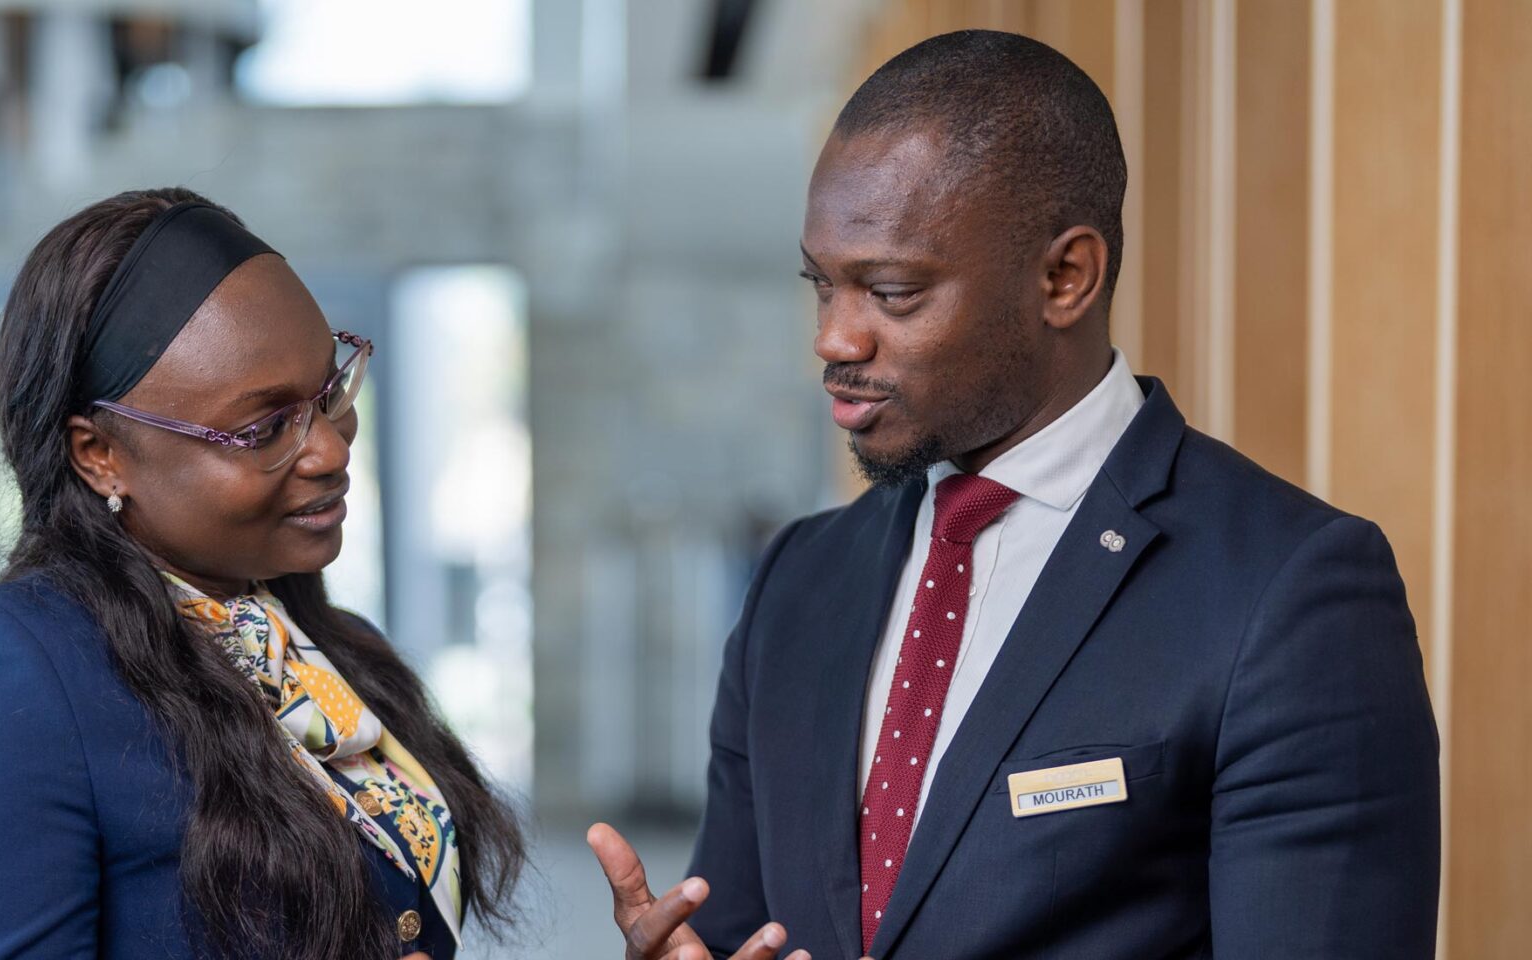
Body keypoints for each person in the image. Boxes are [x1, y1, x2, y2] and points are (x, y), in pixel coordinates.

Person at [590, 29, 1438, 960]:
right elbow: (739, 928)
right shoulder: (800, 579)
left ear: (1064, 277)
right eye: (822, 286)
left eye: (893, 292)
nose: (835, 338)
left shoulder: (1291, 590)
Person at [0, 188, 525, 960]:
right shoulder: (12, 672)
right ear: (100, 455)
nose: (330, 450)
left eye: (330, 390)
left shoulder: (329, 651)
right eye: (262, 427)